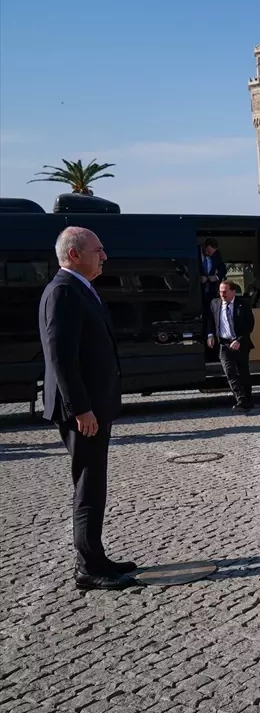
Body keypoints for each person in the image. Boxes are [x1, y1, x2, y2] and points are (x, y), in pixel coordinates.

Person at [39, 227, 138, 590]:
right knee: (88, 485)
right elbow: (61, 357)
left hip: (93, 406)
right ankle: (88, 567)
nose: (105, 256)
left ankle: (96, 555)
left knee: (94, 483)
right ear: (75, 254)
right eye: (98, 250)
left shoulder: (79, 287)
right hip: (83, 411)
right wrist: (81, 408)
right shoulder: (64, 291)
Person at [208, 279, 256, 413]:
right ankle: (241, 399)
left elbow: (249, 325)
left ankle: (248, 399)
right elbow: (211, 320)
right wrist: (210, 335)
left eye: (225, 291)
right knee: (230, 373)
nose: (222, 294)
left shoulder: (242, 304)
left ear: (233, 291)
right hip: (224, 344)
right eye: (220, 291)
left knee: (244, 373)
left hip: (240, 343)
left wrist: (239, 340)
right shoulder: (215, 303)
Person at [200, 239, 227, 316]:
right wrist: (197, 278)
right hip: (198, 290)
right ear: (204, 246)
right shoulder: (196, 252)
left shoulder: (217, 254)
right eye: (208, 251)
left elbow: (223, 269)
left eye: (213, 252)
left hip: (211, 289)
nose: (210, 254)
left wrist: (216, 277)